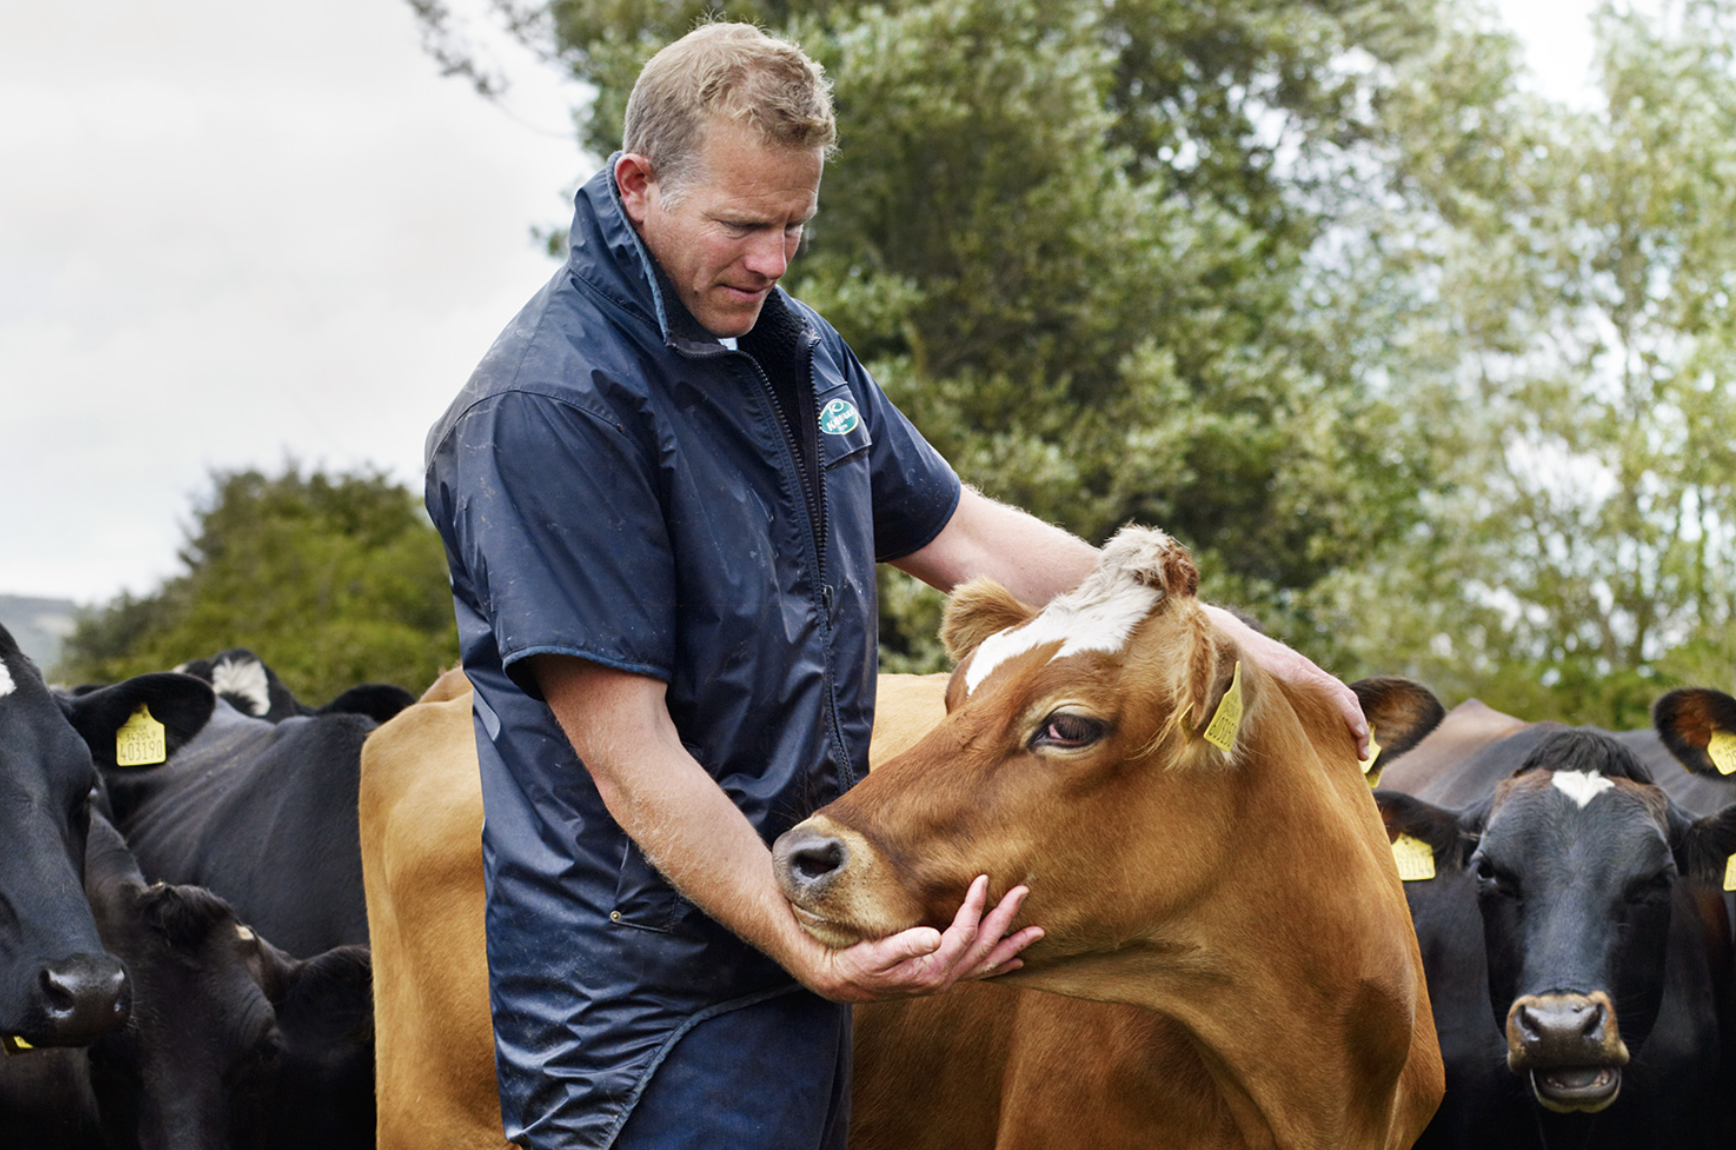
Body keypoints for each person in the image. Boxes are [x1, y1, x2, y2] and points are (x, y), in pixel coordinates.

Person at [424, 21, 1370, 1150]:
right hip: (645, 1011)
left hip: (798, 943)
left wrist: (1242, 643)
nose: (772, 262)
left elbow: (964, 529)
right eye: (740, 225)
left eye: (793, 226)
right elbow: (629, 759)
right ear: (637, 186)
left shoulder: (794, 354)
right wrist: (810, 940)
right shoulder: (550, 409)